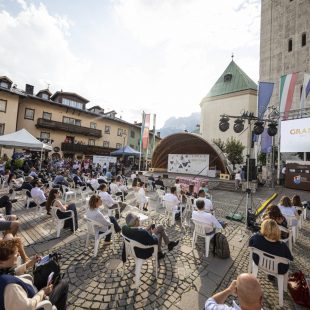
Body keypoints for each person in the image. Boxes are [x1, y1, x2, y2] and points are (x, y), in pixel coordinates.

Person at [0, 239, 69, 310]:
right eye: (15, 253)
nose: (18, 254)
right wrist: (43, 291)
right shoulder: (11, 287)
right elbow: (28, 307)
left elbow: (12, 272)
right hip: (38, 303)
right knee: (64, 283)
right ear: (2, 261)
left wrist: (29, 264)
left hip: (30, 291)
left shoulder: (2, 271)